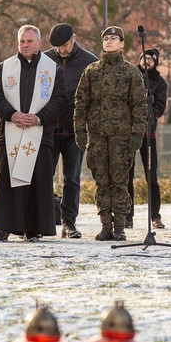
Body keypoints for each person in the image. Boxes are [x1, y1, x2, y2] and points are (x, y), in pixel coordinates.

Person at [0, 25, 69, 243]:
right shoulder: (5, 67)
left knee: (36, 183)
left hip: (40, 134)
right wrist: (12, 114)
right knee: (8, 183)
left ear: (39, 43)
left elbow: (60, 99)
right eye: (22, 41)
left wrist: (39, 118)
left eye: (30, 41)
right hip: (10, 132)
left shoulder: (52, 69)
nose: (25, 45)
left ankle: (33, 229)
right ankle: (4, 228)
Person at [74, 26, 147, 241]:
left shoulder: (131, 72)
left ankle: (120, 226)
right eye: (106, 38)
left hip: (121, 136)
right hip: (97, 135)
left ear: (122, 44)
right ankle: (106, 224)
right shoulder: (92, 71)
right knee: (101, 181)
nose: (109, 41)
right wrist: (80, 130)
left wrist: (137, 133)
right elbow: (81, 103)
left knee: (120, 181)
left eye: (114, 38)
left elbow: (139, 105)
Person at [44, 23, 97, 239]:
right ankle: (44, 220)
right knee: (43, 177)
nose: (61, 50)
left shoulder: (89, 61)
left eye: (65, 45)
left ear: (73, 39)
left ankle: (69, 222)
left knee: (72, 178)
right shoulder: (45, 59)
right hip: (48, 128)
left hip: (75, 129)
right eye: (57, 47)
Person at [127, 48, 168, 230]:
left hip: (148, 134)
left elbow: (159, 109)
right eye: (144, 57)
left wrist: (147, 104)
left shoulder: (160, 82)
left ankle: (155, 215)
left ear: (155, 62)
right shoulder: (131, 76)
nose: (147, 60)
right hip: (129, 133)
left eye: (151, 58)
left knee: (151, 177)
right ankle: (127, 215)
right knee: (127, 176)